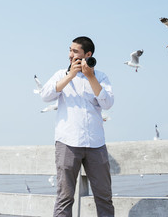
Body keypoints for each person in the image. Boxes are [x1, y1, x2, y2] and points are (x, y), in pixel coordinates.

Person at [40, 36, 115, 217]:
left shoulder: (101, 76)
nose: (70, 54)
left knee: (104, 196)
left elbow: (107, 103)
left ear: (87, 54)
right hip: (67, 142)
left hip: (96, 144)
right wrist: (70, 76)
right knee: (64, 197)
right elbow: (45, 95)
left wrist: (90, 77)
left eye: (75, 51)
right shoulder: (61, 74)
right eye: (70, 50)